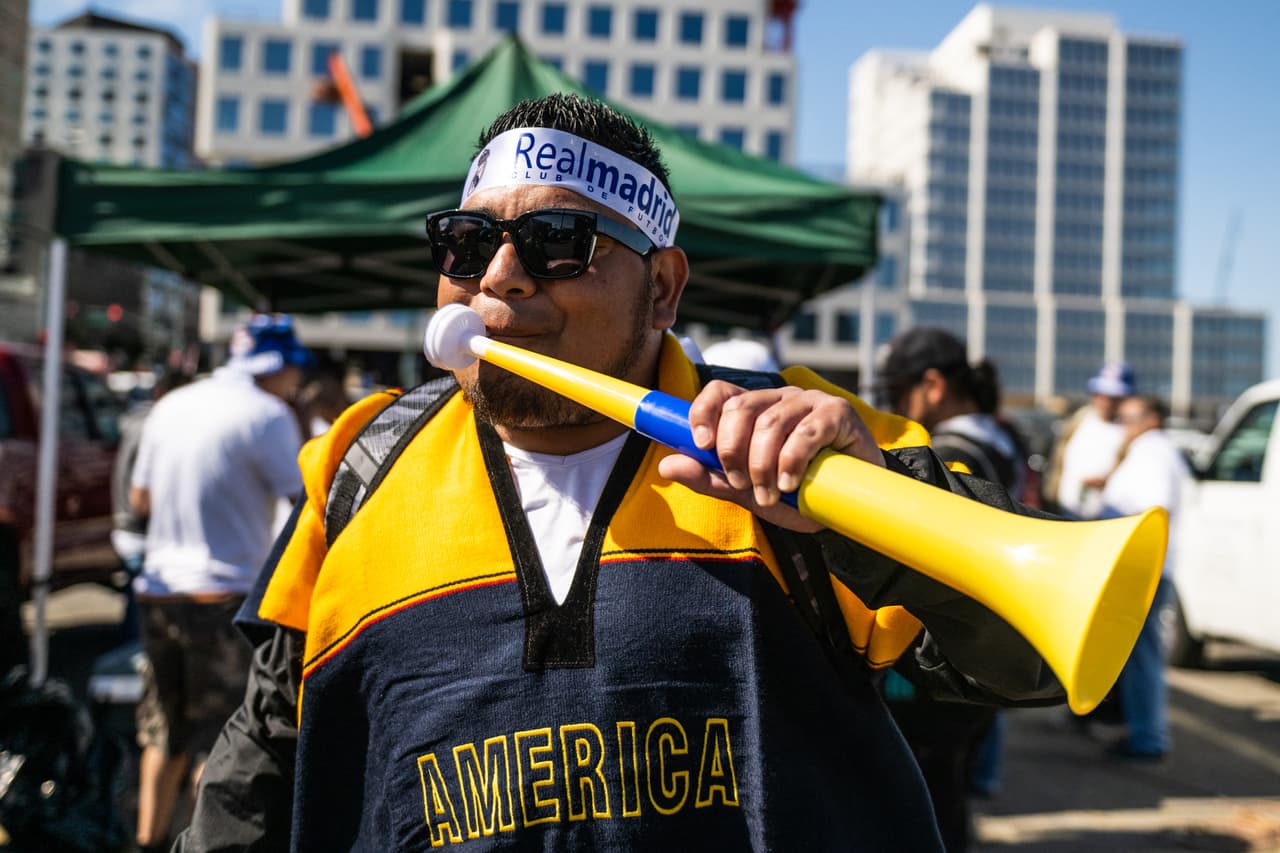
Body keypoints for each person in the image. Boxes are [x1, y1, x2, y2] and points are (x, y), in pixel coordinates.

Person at [177, 93, 1065, 851]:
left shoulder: (806, 440)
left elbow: (1031, 658)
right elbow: (268, 748)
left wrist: (872, 513)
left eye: (557, 240)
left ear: (664, 289)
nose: (500, 277)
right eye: (466, 241)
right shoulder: (361, 463)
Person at [128, 315, 310, 853]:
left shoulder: (172, 404)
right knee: (224, 741)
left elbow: (139, 501)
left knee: (161, 733)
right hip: (223, 594)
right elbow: (306, 502)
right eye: (292, 373)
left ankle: (147, 841)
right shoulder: (268, 414)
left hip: (160, 592)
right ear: (275, 367)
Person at [875, 327, 1028, 851]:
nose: (894, 406)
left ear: (933, 386)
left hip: (949, 645)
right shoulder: (1004, 437)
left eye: (898, 392)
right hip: (991, 641)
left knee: (930, 789)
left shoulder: (950, 451)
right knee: (952, 779)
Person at [1097, 394, 1190, 761]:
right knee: (1138, 655)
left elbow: (1154, 508)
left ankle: (1148, 737)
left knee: (1142, 655)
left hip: (1141, 569)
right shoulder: (1151, 451)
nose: (1123, 425)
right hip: (1143, 567)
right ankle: (1143, 732)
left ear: (1151, 419)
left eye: (1129, 417)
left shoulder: (1152, 452)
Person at [110, 368, 190, 643]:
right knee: (142, 619)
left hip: (126, 526)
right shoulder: (156, 423)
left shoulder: (136, 420)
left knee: (135, 606)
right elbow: (142, 495)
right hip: (139, 530)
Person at [1045, 363, 1134, 519]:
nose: (1106, 401)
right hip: (1062, 511)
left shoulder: (1128, 432)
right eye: (1101, 394)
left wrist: (1108, 482)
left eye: (1113, 397)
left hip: (1104, 518)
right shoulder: (1079, 420)